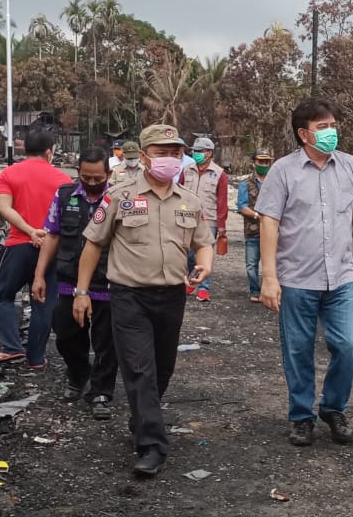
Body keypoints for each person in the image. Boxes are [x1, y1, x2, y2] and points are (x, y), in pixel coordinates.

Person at [74, 123, 215, 476]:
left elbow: (204, 242)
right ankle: (152, 444)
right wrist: (81, 291)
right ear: (145, 155)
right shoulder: (119, 196)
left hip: (171, 296)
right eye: (161, 152)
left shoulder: (189, 201)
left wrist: (204, 265)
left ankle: (141, 418)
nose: (169, 158)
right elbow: (93, 243)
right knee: (139, 369)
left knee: (162, 368)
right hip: (128, 296)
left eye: (175, 152)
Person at [256, 98, 353, 447]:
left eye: (333, 126)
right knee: (298, 350)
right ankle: (301, 416)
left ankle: (333, 407)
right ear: (303, 134)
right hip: (296, 277)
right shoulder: (283, 170)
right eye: (322, 127)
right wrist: (269, 276)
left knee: (348, 345)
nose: (330, 133)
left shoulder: (352, 167)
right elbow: (269, 221)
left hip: (340, 276)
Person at [32, 148, 117, 420]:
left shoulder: (118, 198)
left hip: (107, 281)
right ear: (77, 172)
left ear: (109, 174)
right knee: (67, 335)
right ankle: (78, 374)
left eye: (98, 178)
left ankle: (102, 390)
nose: (92, 183)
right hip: (68, 279)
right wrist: (39, 274)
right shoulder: (64, 195)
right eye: (86, 177)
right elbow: (53, 235)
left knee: (107, 340)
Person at [0, 129, 71, 367]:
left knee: (3, 296)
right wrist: (44, 234)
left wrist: (29, 230)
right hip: (51, 248)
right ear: (49, 151)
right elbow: (67, 219)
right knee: (43, 303)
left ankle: (11, 347)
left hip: (18, 245)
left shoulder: (8, 174)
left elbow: (4, 209)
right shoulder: (64, 180)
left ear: (24, 149)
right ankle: (36, 358)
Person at [185, 136, 228, 302]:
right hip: (187, 217)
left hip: (209, 219)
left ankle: (203, 288)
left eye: (200, 151)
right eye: (195, 151)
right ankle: (193, 279)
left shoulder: (219, 174)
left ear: (209, 153)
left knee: (205, 254)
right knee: (189, 254)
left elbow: (223, 201)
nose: (197, 154)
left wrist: (222, 225)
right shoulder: (187, 170)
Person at [237, 147, 274, 303]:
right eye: (261, 161)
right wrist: (258, 215)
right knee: (252, 264)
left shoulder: (276, 181)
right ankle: (254, 290)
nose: (264, 164)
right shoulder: (245, 184)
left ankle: (270, 289)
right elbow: (242, 206)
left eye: (266, 162)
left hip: (273, 232)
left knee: (272, 263)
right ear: (254, 163)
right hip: (253, 230)